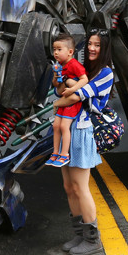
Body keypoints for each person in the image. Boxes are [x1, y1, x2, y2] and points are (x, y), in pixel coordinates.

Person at [52, 28, 114, 255]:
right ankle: (79, 234)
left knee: (80, 186)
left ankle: (92, 239)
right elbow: (60, 89)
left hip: (81, 131)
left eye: (97, 45)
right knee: (69, 187)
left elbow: (76, 96)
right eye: (90, 44)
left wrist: (57, 102)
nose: (92, 48)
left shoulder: (106, 73)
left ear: (104, 48)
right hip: (67, 128)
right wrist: (62, 84)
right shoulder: (81, 68)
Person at [47, 33, 89, 167]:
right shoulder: (59, 65)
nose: (56, 53)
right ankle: (55, 152)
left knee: (64, 126)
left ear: (70, 52)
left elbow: (84, 79)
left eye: (59, 49)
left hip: (72, 101)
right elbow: (56, 85)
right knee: (56, 126)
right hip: (64, 99)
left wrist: (73, 89)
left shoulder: (74, 64)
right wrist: (56, 76)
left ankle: (64, 154)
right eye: (54, 49)